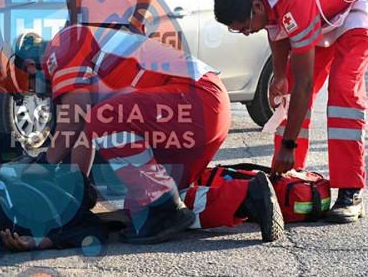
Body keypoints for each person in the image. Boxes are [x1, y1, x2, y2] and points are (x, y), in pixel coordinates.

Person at [39, 25, 284, 244]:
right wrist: (76, 189)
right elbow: (85, 133)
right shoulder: (88, 57)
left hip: (196, 99)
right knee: (148, 211)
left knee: (106, 122)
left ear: (31, 66)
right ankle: (251, 196)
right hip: (205, 106)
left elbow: (77, 115)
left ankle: (162, 201)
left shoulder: (62, 44)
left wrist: (44, 164)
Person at [214, 0, 368, 223]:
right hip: (323, 8)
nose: (247, 33)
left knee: (343, 89)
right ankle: (287, 179)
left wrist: (289, 144)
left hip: (362, 0)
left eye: (246, 26)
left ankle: (350, 191)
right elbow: (274, 24)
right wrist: (280, 73)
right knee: (289, 86)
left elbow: (306, 85)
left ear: (256, 6)